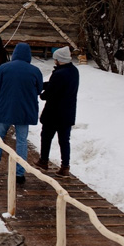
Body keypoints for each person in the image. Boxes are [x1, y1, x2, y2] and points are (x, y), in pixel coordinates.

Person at [0, 43, 43, 184]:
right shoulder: (35, 71)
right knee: (22, 141)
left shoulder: (4, 68)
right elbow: (39, 90)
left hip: (5, 108)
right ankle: (19, 173)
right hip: (24, 111)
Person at [35, 47, 79, 177]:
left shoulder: (59, 74)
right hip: (68, 112)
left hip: (54, 113)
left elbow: (50, 92)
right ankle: (65, 166)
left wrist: (41, 93)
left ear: (59, 60)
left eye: (55, 59)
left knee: (46, 136)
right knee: (64, 140)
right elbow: (57, 85)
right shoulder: (74, 71)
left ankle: (43, 160)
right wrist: (45, 84)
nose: (54, 61)